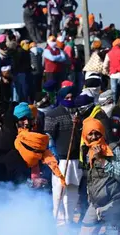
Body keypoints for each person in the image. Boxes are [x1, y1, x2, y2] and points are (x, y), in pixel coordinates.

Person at [78, 117, 120, 235]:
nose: (94, 137)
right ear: (85, 136)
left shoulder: (113, 148)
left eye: (97, 133)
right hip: (95, 203)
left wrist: (102, 160)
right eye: (90, 134)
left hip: (113, 201)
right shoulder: (87, 151)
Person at [45, 86, 83, 224]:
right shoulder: (53, 114)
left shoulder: (79, 113)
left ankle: (70, 219)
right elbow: (49, 136)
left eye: (71, 97)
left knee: (72, 190)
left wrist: (78, 125)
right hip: (60, 159)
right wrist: (53, 155)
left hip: (75, 158)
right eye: (67, 98)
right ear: (61, 98)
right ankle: (59, 219)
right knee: (59, 190)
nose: (70, 100)